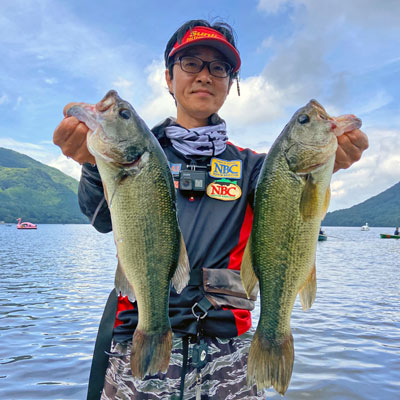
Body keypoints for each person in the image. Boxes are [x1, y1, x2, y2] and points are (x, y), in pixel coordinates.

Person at [53, 19, 369, 400]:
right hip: (140, 338)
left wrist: (324, 168)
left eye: (218, 67)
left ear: (230, 84)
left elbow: (289, 212)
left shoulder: (256, 167)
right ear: (168, 78)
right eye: (191, 63)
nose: (204, 75)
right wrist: (91, 165)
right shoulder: (140, 153)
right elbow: (99, 218)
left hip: (229, 352)